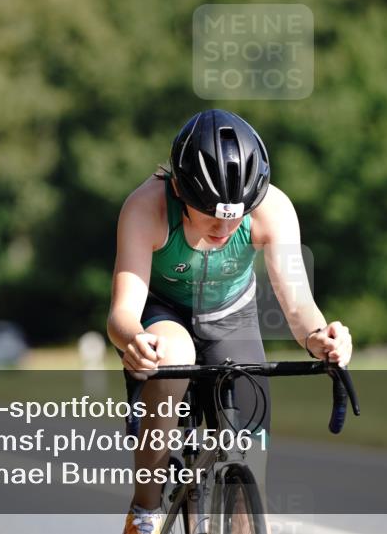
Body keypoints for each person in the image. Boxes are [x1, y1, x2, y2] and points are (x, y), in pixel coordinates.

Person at [107, 109, 353, 534]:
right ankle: (145, 510)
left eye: (235, 215)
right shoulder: (145, 207)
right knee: (173, 353)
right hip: (164, 315)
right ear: (181, 192)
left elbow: (299, 307)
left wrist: (321, 339)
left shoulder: (272, 208)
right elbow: (122, 313)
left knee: (249, 490)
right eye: (210, 215)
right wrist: (135, 342)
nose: (224, 227)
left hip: (231, 319)